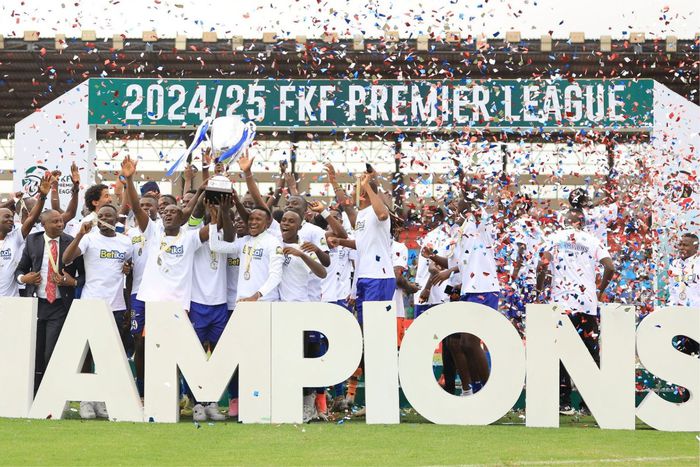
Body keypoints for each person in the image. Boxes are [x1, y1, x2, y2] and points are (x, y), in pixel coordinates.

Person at [536, 209, 616, 415]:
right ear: (582, 222)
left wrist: (538, 291)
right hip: (587, 304)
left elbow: (542, 265)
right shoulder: (592, 240)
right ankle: (591, 404)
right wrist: (600, 291)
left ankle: (563, 403)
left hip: (561, 304)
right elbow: (610, 267)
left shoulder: (554, 238)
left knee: (560, 351)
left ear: (566, 221)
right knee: (590, 352)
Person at [62, 204, 132, 419]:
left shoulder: (126, 242)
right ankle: (86, 399)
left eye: (108, 216)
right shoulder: (89, 239)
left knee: (108, 355)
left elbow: (129, 269)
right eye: (100, 216)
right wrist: (79, 235)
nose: (103, 219)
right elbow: (66, 259)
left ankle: (102, 398)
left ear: (116, 219)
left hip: (116, 305)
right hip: (91, 302)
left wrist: (128, 269)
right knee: (87, 352)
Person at [15, 209, 84, 396]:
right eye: (55, 222)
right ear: (43, 224)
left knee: (51, 352)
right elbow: (20, 269)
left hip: (60, 305)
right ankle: (34, 394)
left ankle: (51, 393)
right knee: (35, 352)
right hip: (36, 304)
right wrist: (24, 279)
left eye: (61, 221)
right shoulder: (33, 240)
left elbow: (84, 276)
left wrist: (72, 282)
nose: (60, 224)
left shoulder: (71, 241)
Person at [278, 209, 328, 422]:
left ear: (300, 227)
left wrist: (302, 255)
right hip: (279, 311)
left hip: (301, 310)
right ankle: (287, 402)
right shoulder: (273, 244)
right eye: (283, 220)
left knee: (305, 358)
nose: (286, 224)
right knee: (285, 359)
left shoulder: (304, 247)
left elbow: (322, 272)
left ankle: (309, 404)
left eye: (291, 221)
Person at [125, 193, 159, 399]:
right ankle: (142, 387)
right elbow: (127, 268)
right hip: (138, 293)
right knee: (139, 341)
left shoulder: (163, 229)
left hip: (161, 295)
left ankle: (163, 386)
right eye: (142, 205)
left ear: (157, 208)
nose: (146, 208)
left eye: (150, 205)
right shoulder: (129, 234)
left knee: (160, 341)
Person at [0, 173, 51, 297]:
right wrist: (12, 200)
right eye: (6, 217)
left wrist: (42, 196)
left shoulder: (15, 238)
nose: (11, 220)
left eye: (12, 217)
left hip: (11, 300)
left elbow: (31, 218)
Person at [505, 194, 544, 332]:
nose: (510, 206)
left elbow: (521, 248)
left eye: (513, 203)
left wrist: (514, 274)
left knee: (514, 319)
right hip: (531, 278)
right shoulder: (536, 226)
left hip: (519, 279)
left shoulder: (518, 224)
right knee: (528, 321)